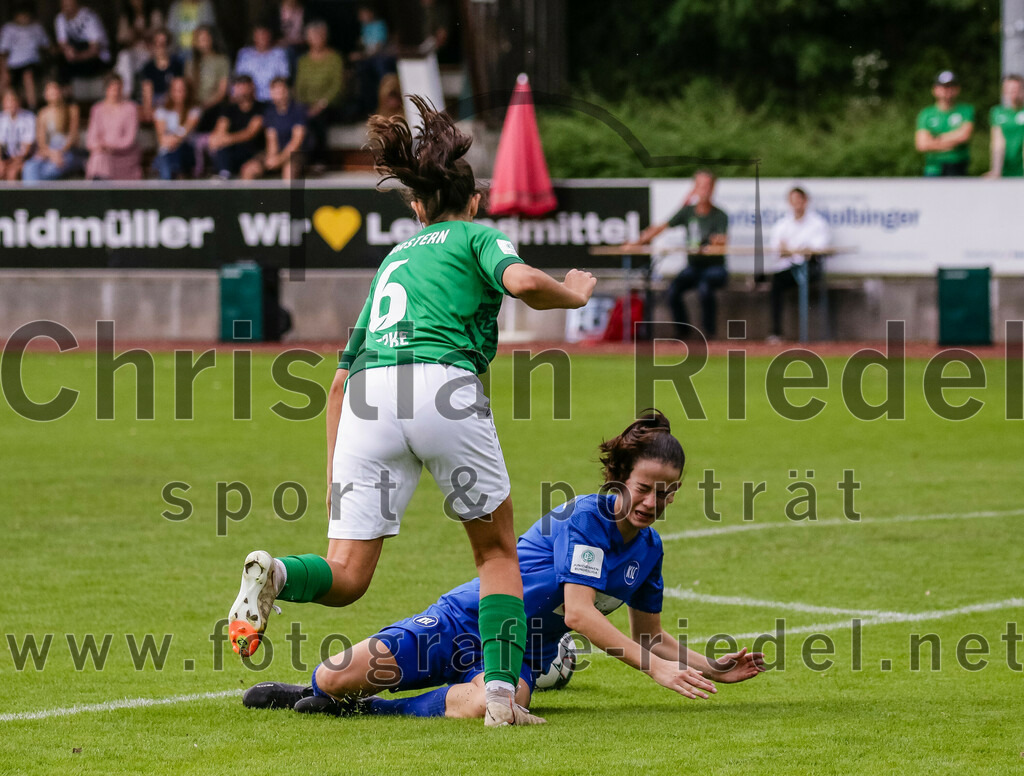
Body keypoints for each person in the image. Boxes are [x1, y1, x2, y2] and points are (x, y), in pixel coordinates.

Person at [226, 95, 597, 727]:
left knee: (345, 574)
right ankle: (502, 698)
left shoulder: (393, 261)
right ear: (473, 200)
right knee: (497, 555)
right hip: (440, 387)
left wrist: (334, 479)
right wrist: (574, 292)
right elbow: (526, 283)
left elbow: (337, 383)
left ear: (418, 207)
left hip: (369, 398)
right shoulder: (478, 235)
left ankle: (280, 573)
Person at [242, 412, 766, 721]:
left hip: (517, 655)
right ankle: (317, 694)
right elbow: (581, 615)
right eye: (645, 487)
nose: (654, 501)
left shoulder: (648, 552)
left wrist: (712, 666)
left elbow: (651, 637)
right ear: (619, 476)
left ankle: (373, 711)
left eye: (666, 492)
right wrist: (656, 671)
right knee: (336, 677)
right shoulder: (585, 518)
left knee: (496, 703)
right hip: (464, 620)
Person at [630, 170, 729, 338]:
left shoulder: (720, 215)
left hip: (715, 268)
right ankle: (684, 334)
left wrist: (714, 243)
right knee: (672, 291)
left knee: (705, 289)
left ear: (713, 189)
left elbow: (722, 240)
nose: (704, 190)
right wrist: (638, 242)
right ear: (694, 188)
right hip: (693, 267)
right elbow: (662, 227)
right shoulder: (687, 212)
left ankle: (709, 334)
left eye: (707, 186)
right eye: (700, 186)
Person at [766, 186, 831, 342]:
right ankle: (776, 332)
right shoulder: (782, 224)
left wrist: (792, 251)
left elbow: (817, 249)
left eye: (799, 200)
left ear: (805, 201)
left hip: (810, 268)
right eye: (792, 201)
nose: (796, 204)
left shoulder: (817, 223)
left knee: (803, 274)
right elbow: (776, 250)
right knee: (776, 283)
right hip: (789, 268)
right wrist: (794, 251)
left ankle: (808, 337)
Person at [293, 20, 343, 164]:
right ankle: (300, 160)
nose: (317, 39)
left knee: (318, 119)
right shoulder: (303, 60)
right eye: (313, 35)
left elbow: (337, 87)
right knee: (298, 116)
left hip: (329, 105)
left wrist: (321, 104)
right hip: (306, 105)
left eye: (320, 35)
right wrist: (302, 105)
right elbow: (299, 87)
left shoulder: (335, 58)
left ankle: (319, 161)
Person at [241, 76, 305, 180]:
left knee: (289, 171)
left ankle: (286, 196)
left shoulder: (298, 110)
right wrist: (272, 157)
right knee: (249, 169)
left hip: (295, 154)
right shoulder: (269, 112)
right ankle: (248, 196)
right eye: (275, 90)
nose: (279, 94)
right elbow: (271, 138)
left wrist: (280, 159)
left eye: (282, 90)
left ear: (288, 91)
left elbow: (296, 141)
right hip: (274, 152)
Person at [22, 79, 84, 182]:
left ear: (60, 92)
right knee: (29, 167)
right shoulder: (43, 113)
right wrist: (51, 154)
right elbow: (41, 141)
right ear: (45, 94)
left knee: (48, 170)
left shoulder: (72, 109)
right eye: (50, 90)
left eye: (55, 89)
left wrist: (59, 153)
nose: (53, 93)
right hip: (49, 152)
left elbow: (72, 136)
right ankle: (32, 197)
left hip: (68, 152)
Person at [915, 71, 974, 177]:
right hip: (933, 168)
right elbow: (922, 144)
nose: (947, 90)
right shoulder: (926, 114)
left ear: (957, 89)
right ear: (935, 89)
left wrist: (936, 139)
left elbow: (964, 136)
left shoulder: (966, 110)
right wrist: (952, 141)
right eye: (943, 87)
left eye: (951, 86)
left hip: (958, 167)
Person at [85, 74, 141, 180]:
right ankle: (98, 191)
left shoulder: (130, 108)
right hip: (103, 154)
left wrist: (110, 146)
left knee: (99, 159)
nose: (115, 92)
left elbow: (129, 139)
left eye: (118, 88)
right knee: (98, 157)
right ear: (106, 89)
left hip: (124, 156)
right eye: (112, 88)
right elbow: (91, 139)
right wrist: (100, 146)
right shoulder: (97, 109)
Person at [207, 74, 264, 178]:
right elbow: (220, 129)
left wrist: (227, 139)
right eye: (238, 87)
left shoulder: (260, 108)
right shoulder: (229, 108)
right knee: (219, 147)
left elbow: (250, 133)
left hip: (253, 152)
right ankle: (224, 175)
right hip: (232, 152)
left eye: (244, 86)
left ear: (252, 87)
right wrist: (219, 139)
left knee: (250, 170)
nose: (241, 90)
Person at [0, 3, 51, 111]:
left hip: (33, 63)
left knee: (28, 75)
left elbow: (47, 47)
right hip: (14, 65)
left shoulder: (37, 27)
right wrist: (4, 71)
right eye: (21, 15)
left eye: (26, 15)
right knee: (3, 81)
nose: (24, 18)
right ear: (15, 16)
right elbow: (3, 53)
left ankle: (33, 108)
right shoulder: (8, 28)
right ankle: (4, 110)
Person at [114, 0, 164, 99]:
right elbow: (120, 39)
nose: (137, 2)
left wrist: (144, 34)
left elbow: (162, 35)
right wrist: (132, 35)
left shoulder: (154, 15)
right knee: (123, 56)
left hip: (150, 53)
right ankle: (126, 95)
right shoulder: (127, 17)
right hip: (134, 54)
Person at [185, 24, 230, 132]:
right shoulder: (190, 63)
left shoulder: (222, 61)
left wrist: (204, 105)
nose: (203, 42)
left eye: (205, 39)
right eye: (200, 39)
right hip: (194, 106)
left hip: (214, 107)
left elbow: (222, 91)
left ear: (212, 39)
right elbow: (187, 87)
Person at [153, 76, 199, 179]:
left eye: (182, 90)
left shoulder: (194, 111)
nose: (179, 93)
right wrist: (174, 139)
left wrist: (174, 139)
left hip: (186, 152)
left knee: (178, 153)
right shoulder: (161, 111)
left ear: (187, 91)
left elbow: (185, 132)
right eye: (176, 90)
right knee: (167, 160)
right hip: (166, 153)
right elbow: (162, 139)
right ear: (171, 91)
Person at [54, 0, 111, 82]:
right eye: (64, 4)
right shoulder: (60, 18)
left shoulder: (89, 16)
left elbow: (95, 50)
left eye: (69, 4)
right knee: (60, 59)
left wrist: (77, 56)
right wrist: (68, 51)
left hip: (97, 58)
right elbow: (62, 44)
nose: (66, 7)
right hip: (75, 58)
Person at [234, 22, 290, 103]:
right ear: (254, 36)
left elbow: (284, 78)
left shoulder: (279, 53)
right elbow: (239, 79)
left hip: (273, 100)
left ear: (270, 36)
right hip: (249, 100)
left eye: (264, 34)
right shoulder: (244, 54)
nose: (262, 37)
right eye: (259, 35)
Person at [139, 29, 185, 122]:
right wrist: (148, 110)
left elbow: (178, 88)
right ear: (153, 45)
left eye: (164, 43)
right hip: (155, 103)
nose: (160, 47)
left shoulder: (177, 65)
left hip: (172, 102)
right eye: (157, 43)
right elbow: (147, 91)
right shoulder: (148, 67)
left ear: (169, 45)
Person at [986, 74, 1024, 178]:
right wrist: (996, 171)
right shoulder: (997, 112)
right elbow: (997, 142)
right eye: (1009, 89)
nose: (1013, 92)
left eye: (1016, 89)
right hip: (1004, 171)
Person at [0, 88, 34, 180]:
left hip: (25, 158)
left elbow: (28, 146)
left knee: (12, 173)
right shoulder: (2, 118)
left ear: (19, 102)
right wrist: (2, 161)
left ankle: (12, 194)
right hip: (6, 158)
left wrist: (16, 161)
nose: (11, 104)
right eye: (8, 101)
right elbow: (1, 144)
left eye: (13, 100)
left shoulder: (29, 117)